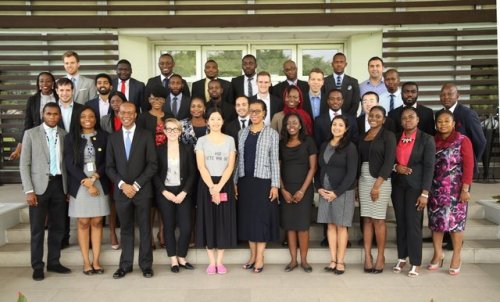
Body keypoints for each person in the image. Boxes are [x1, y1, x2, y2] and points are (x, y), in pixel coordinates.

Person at [106, 102, 158, 279]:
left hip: (142, 191)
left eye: (130, 112)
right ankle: (125, 265)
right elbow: (109, 167)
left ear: (136, 114)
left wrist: (135, 185)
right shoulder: (113, 138)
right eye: (123, 112)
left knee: (145, 229)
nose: (126, 115)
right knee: (126, 229)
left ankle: (146, 265)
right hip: (121, 192)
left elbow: (152, 164)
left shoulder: (146, 135)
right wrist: (123, 185)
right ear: (118, 114)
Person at [20, 102, 71, 281]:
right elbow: (24, 164)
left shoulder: (65, 135)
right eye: (49, 114)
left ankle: (54, 262)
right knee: (37, 229)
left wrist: (67, 189)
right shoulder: (31, 134)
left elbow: (67, 164)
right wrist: (29, 190)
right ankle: (37, 265)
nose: (52, 117)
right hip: (38, 187)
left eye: (56, 114)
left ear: (59, 116)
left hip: (59, 185)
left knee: (58, 227)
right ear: (43, 114)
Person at [235, 99, 280, 273]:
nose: (254, 114)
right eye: (251, 111)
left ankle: (260, 257)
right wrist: (235, 182)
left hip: (263, 181)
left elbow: (274, 161)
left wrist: (275, 185)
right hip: (245, 181)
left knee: (261, 220)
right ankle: (252, 256)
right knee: (248, 220)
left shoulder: (272, 134)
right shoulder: (242, 133)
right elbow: (238, 160)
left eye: (257, 111)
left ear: (264, 113)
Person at [427, 110, 474, 275]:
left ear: (453, 124)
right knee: (436, 224)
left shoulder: (463, 140)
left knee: (455, 225)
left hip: (456, 190)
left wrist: (466, 189)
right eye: (440, 121)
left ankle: (456, 256)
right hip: (435, 189)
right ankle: (437, 254)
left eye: (447, 121)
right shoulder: (432, 141)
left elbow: (469, 166)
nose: (443, 124)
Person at [64, 106, 110, 275]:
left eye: (91, 116)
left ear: (96, 119)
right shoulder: (71, 138)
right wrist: (87, 183)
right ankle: (86, 262)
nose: (87, 119)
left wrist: (94, 178)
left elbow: (108, 161)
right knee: (83, 223)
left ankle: (96, 261)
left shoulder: (105, 137)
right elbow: (69, 163)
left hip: (99, 181)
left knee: (97, 222)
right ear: (78, 119)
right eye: (83, 116)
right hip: (80, 184)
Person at [391, 107, 435, 277]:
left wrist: (425, 193)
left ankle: (416, 262)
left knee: (414, 224)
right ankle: (402, 256)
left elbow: (429, 167)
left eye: (411, 117)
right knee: (401, 222)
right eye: (404, 118)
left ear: (418, 120)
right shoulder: (395, 137)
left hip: (416, 188)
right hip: (398, 186)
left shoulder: (427, 139)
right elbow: (390, 160)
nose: (407, 120)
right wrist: (396, 167)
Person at [195, 107, 237, 274]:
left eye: (218, 119)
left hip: (224, 183)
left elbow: (230, 165)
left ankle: (220, 261)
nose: (215, 122)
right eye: (212, 119)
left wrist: (219, 187)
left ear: (223, 121)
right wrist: (212, 188)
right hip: (206, 184)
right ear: (207, 121)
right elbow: (201, 166)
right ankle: (211, 262)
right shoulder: (202, 141)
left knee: (222, 221)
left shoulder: (230, 140)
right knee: (208, 220)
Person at [154, 118, 196, 273]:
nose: (172, 132)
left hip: (183, 191)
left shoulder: (187, 149)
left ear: (180, 131)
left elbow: (192, 173)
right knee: (169, 226)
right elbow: (155, 174)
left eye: (175, 129)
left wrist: (184, 192)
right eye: (169, 129)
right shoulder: (158, 150)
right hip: (165, 192)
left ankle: (182, 257)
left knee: (186, 227)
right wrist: (164, 192)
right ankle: (173, 259)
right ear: (164, 131)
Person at [316, 115, 358, 274]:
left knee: (341, 226)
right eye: (335, 124)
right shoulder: (324, 145)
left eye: (341, 125)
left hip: (343, 192)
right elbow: (320, 169)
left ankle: (341, 261)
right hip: (325, 191)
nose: (337, 127)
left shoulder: (350, 147)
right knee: (330, 224)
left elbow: (351, 173)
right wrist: (318, 187)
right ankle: (332, 260)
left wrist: (337, 192)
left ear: (346, 129)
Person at [358, 105, 396, 274]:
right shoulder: (363, 136)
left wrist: (377, 185)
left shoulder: (388, 136)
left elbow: (389, 162)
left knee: (379, 220)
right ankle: (367, 256)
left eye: (378, 116)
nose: (373, 118)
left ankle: (380, 256)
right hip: (363, 179)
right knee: (366, 219)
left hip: (381, 180)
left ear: (384, 119)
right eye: (371, 115)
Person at [279, 113, 317, 273]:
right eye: (288, 123)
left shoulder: (309, 141)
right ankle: (293, 260)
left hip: (304, 189)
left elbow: (313, 168)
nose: (292, 125)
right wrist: (283, 190)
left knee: (302, 226)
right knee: (290, 226)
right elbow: (277, 168)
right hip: (286, 189)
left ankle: (304, 261)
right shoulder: (281, 143)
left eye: (295, 123)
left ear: (300, 125)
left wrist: (302, 190)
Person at [136, 85, 171, 250]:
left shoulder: (170, 116)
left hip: (167, 163)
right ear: (149, 100)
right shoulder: (142, 118)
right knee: (149, 203)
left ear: (164, 100)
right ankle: (149, 235)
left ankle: (162, 233)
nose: (156, 101)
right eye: (153, 98)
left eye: (160, 98)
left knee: (164, 200)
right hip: (147, 163)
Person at [100, 90, 127, 250]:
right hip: (112, 162)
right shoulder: (105, 120)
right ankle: (111, 232)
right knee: (113, 200)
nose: (116, 104)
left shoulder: (130, 117)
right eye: (113, 102)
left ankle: (125, 232)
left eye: (118, 101)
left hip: (128, 163)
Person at [10, 72, 59, 160]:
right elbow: (27, 124)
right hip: (38, 138)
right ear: (38, 83)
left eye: (48, 81)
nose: (44, 84)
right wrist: (18, 149)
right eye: (41, 81)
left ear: (53, 83)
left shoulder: (59, 98)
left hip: (57, 138)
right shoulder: (32, 100)